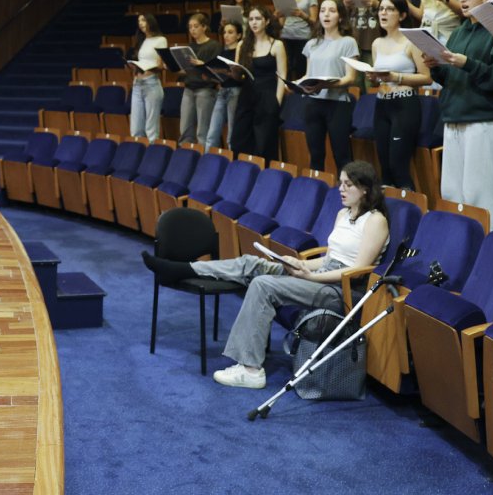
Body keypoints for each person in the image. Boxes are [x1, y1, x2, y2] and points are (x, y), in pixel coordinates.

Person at [141, 161, 390, 389]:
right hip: (323, 275)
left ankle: (251, 370)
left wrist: (310, 277)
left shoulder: (376, 221)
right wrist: (301, 264)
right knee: (252, 263)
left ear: (365, 189)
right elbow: (329, 258)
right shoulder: (343, 214)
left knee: (263, 285)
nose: (341, 189)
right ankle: (184, 269)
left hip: (343, 290)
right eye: (340, 183)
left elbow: (357, 269)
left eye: (348, 184)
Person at [423, 0, 493, 231]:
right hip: (454, 117)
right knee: (452, 193)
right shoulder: (460, 31)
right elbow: (452, 77)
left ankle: (490, 249)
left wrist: (467, 63)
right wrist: (436, 67)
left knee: (482, 195)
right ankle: (462, 248)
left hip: (483, 120)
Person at [368, 0, 432, 189]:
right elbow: (379, 76)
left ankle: (411, 212)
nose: (383, 13)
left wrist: (396, 77)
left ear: (402, 15)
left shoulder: (411, 41)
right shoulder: (377, 43)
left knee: (398, 166)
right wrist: (374, 77)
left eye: (389, 9)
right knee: (385, 168)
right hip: (382, 104)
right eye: (381, 9)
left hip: (404, 105)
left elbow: (427, 77)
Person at [296, 0, 359, 172]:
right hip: (313, 103)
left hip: (338, 104)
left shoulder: (348, 42)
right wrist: (296, 83)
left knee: (342, 156)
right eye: (323, 10)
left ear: (340, 16)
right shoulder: (311, 44)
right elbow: (309, 74)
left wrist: (326, 85)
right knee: (315, 155)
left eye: (331, 10)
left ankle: (346, 194)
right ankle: (317, 193)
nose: (326, 14)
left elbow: (350, 78)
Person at [229, 6, 287, 161]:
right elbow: (238, 75)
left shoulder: (277, 45)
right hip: (247, 96)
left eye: (258, 19)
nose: (254, 22)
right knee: (239, 141)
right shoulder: (242, 45)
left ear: (267, 21)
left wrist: (277, 102)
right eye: (251, 19)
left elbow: (282, 76)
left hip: (267, 97)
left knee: (264, 145)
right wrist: (233, 71)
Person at [345, 0, 396, 86]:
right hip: (355, 38)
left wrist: (376, 3)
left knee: (372, 84)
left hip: (374, 38)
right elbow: (345, 15)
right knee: (354, 84)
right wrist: (346, 5)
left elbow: (394, 10)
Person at [178, 13, 220, 146]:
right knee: (185, 128)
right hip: (189, 88)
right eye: (190, 27)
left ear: (204, 27)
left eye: (196, 26)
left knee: (203, 130)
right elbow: (188, 70)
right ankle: (186, 155)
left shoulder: (214, 45)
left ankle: (205, 159)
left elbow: (218, 71)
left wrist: (203, 64)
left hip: (205, 90)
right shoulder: (189, 47)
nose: (192, 30)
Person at [274, 0, 319, 80]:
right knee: (287, 68)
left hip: (303, 37)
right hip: (286, 36)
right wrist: (277, 16)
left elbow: (314, 21)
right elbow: (281, 24)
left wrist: (302, 15)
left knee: (301, 69)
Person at [205, 20, 243, 150]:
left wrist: (223, 72)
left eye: (230, 32)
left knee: (232, 133)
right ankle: (207, 163)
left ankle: (233, 163)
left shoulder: (241, 52)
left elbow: (241, 76)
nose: (226, 35)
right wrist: (210, 73)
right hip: (222, 90)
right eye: (225, 32)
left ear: (238, 35)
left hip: (235, 91)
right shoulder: (222, 52)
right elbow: (219, 75)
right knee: (212, 132)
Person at [129, 13, 167, 141]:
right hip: (137, 84)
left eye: (143, 20)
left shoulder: (161, 40)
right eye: (139, 21)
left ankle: (152, 156)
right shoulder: (141, 40)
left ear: (150, 21)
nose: (140, 23)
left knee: (151, 129)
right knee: (136, 128)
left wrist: (157, 66)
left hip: (151, 83)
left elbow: (162, 65)